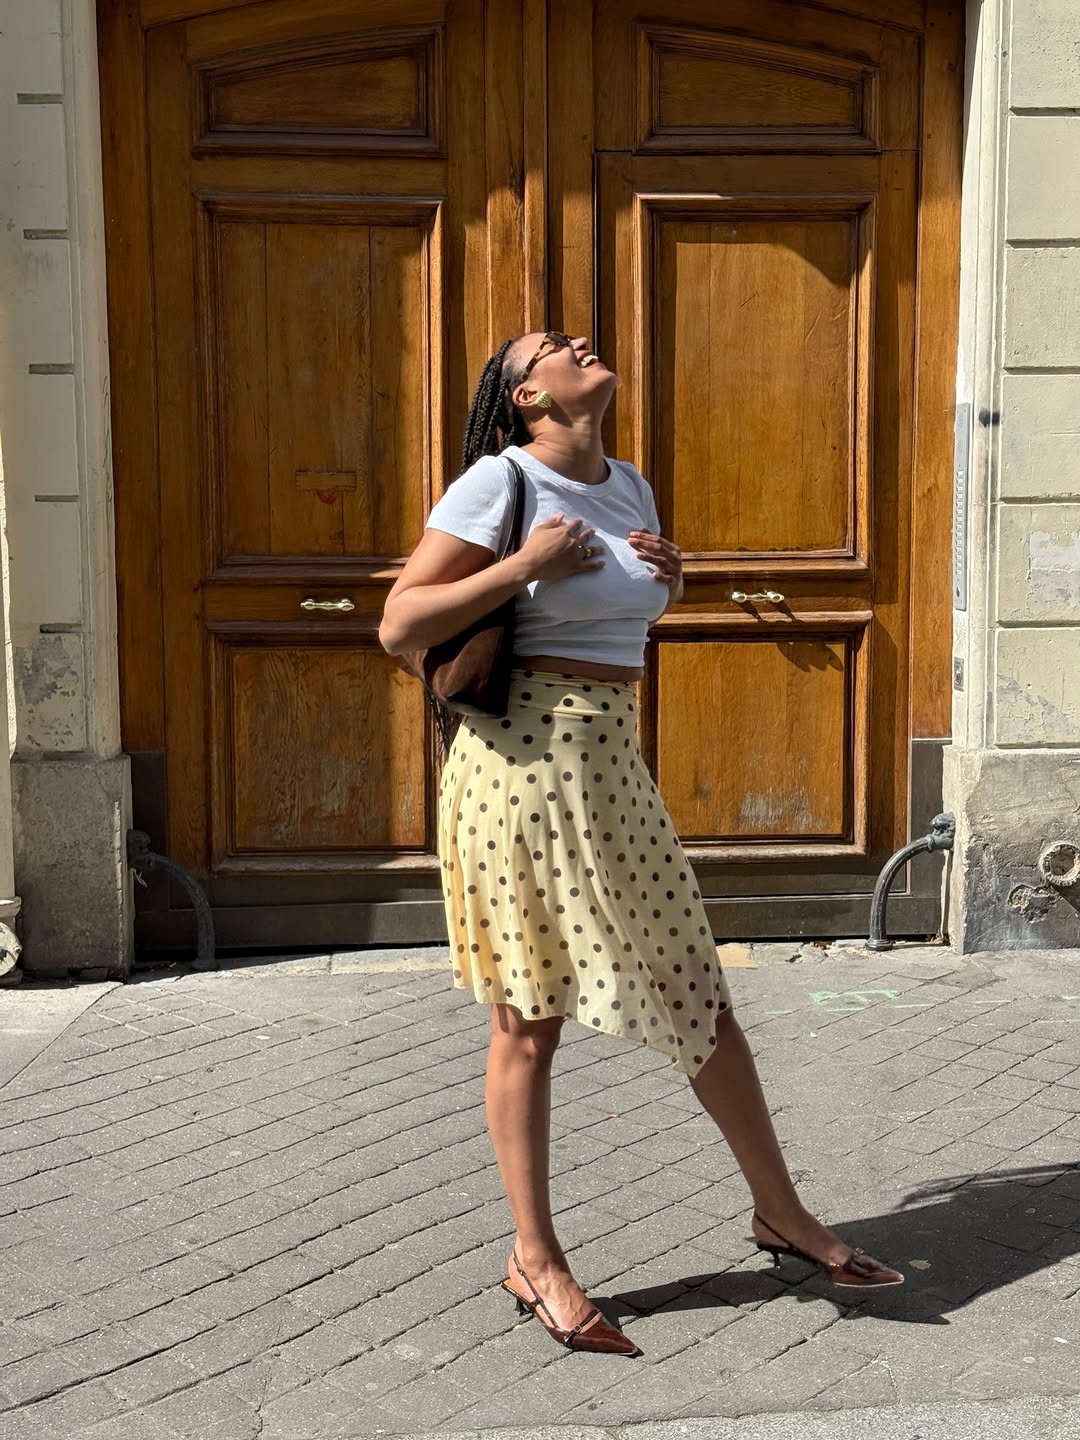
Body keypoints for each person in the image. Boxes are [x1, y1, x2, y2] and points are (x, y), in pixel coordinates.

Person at [378, 331, 902, 1358]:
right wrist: (524, 563)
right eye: (552, 346)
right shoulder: (500, 480)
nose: (580, 343)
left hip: (612, 765)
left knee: (701, 995)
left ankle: (780, 1214)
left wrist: (671, 579)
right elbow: (401, 624)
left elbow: (622, 619)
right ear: (527, 394)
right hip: (519, 768)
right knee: (530, 1019)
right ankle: (536, 1257)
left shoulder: (632, 483)